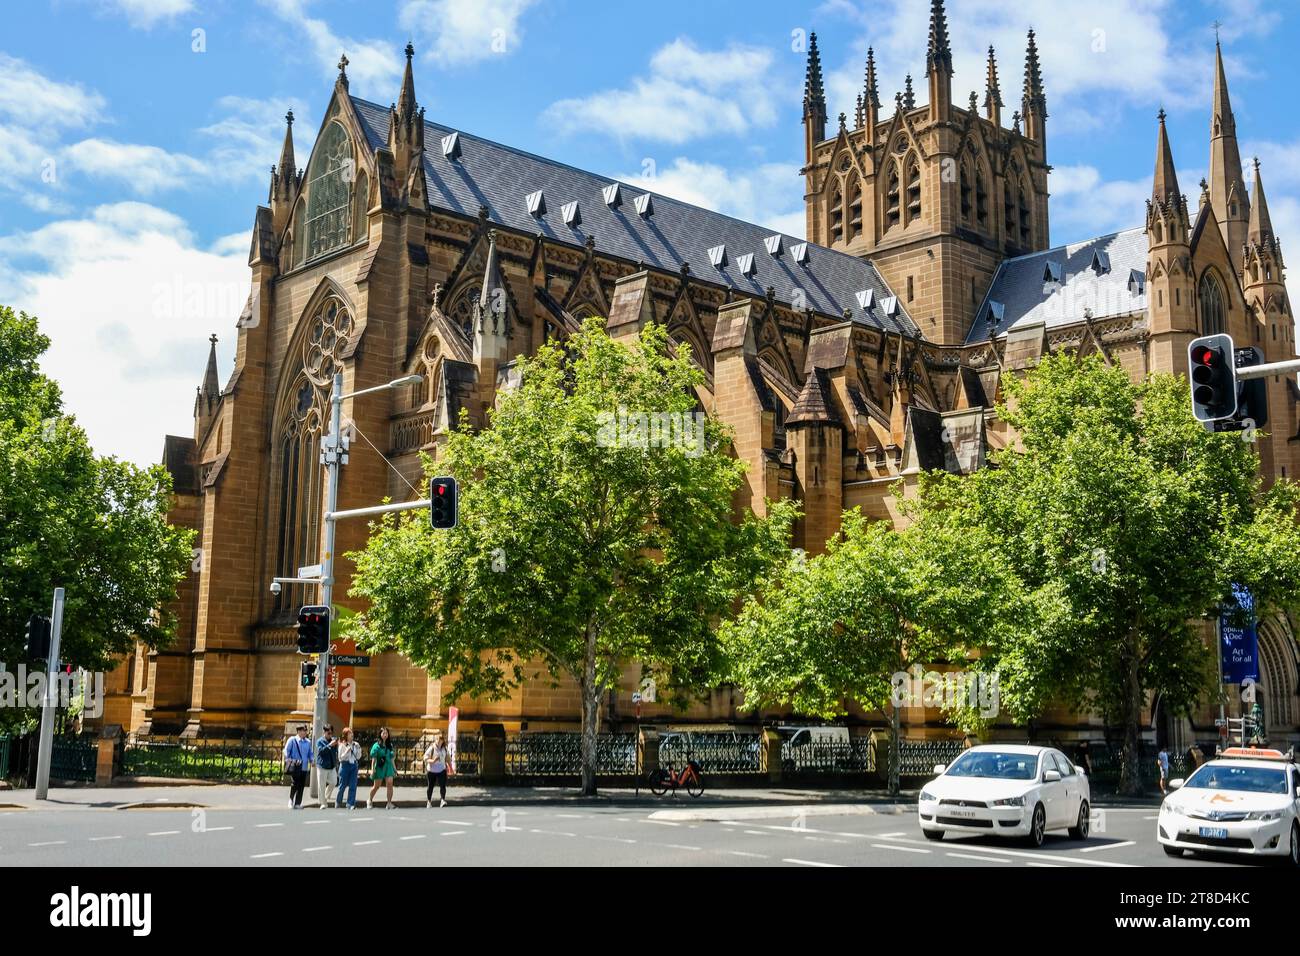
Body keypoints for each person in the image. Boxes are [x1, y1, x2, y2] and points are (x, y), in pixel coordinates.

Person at [283, 725, 313, 809]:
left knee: (301, 785)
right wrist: (289, 760)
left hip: (304, 767)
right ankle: (291, 800)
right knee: (294, 784)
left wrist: (312, 760)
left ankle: (297, 803)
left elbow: (310, 753)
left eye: (306, 731)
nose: (305, 732)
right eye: (304, 731)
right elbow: (286, 751)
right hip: (295, 766)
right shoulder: (292, 740)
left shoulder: (308, 742)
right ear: (299, 731)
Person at [368, 726, 397, 809]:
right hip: (380, 766)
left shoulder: (389, 745)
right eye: (383, 733)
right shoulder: (376, 746)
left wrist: (395, 769)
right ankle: (369, 800)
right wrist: (372, 769)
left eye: (386, 733)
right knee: (377, 786)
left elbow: (392, 759)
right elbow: (373, 759)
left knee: (390, 783)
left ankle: (389, 803)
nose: (385, 735)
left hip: (388, 767)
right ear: (380, 734)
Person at [336, 727, 361, 809]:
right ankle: (338, 802)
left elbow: (358, 756)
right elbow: (340, 758)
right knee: (342, 785)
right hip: (344, 765)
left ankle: (350, 804)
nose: (352, 735)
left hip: (354, 765)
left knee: (353, 785)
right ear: (345, 735)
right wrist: (346, 752)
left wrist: (359, 749)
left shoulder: (355, 744)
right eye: (350, 734)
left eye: (352, 733)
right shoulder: (342, 745)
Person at [424, 731, 451, 808]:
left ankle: (443, 800)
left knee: (443, 785)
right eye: (438, 740)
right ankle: (429, 801)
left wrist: (450, 768)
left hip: (442, 770)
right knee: (430, 786)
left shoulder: (444, 749)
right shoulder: (431, 748)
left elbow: (448, 758)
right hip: (432, 771)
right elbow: (425, 758)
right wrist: (433, 761)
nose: (439, 742)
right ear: (435, 740)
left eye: (441, 740)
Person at [315, 724, 339, 809]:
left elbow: (335, 752)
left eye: (331, 733)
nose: (330, 735)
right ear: (324, 732)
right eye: (328, 733)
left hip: (331, 766)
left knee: (334, 782)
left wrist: (336, 744)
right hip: (322, 766)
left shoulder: (333, 740)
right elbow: (321, 752)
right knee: (321, 785)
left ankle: (325, 796)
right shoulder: (319, 741)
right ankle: (323, 803)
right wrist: (329, 745)